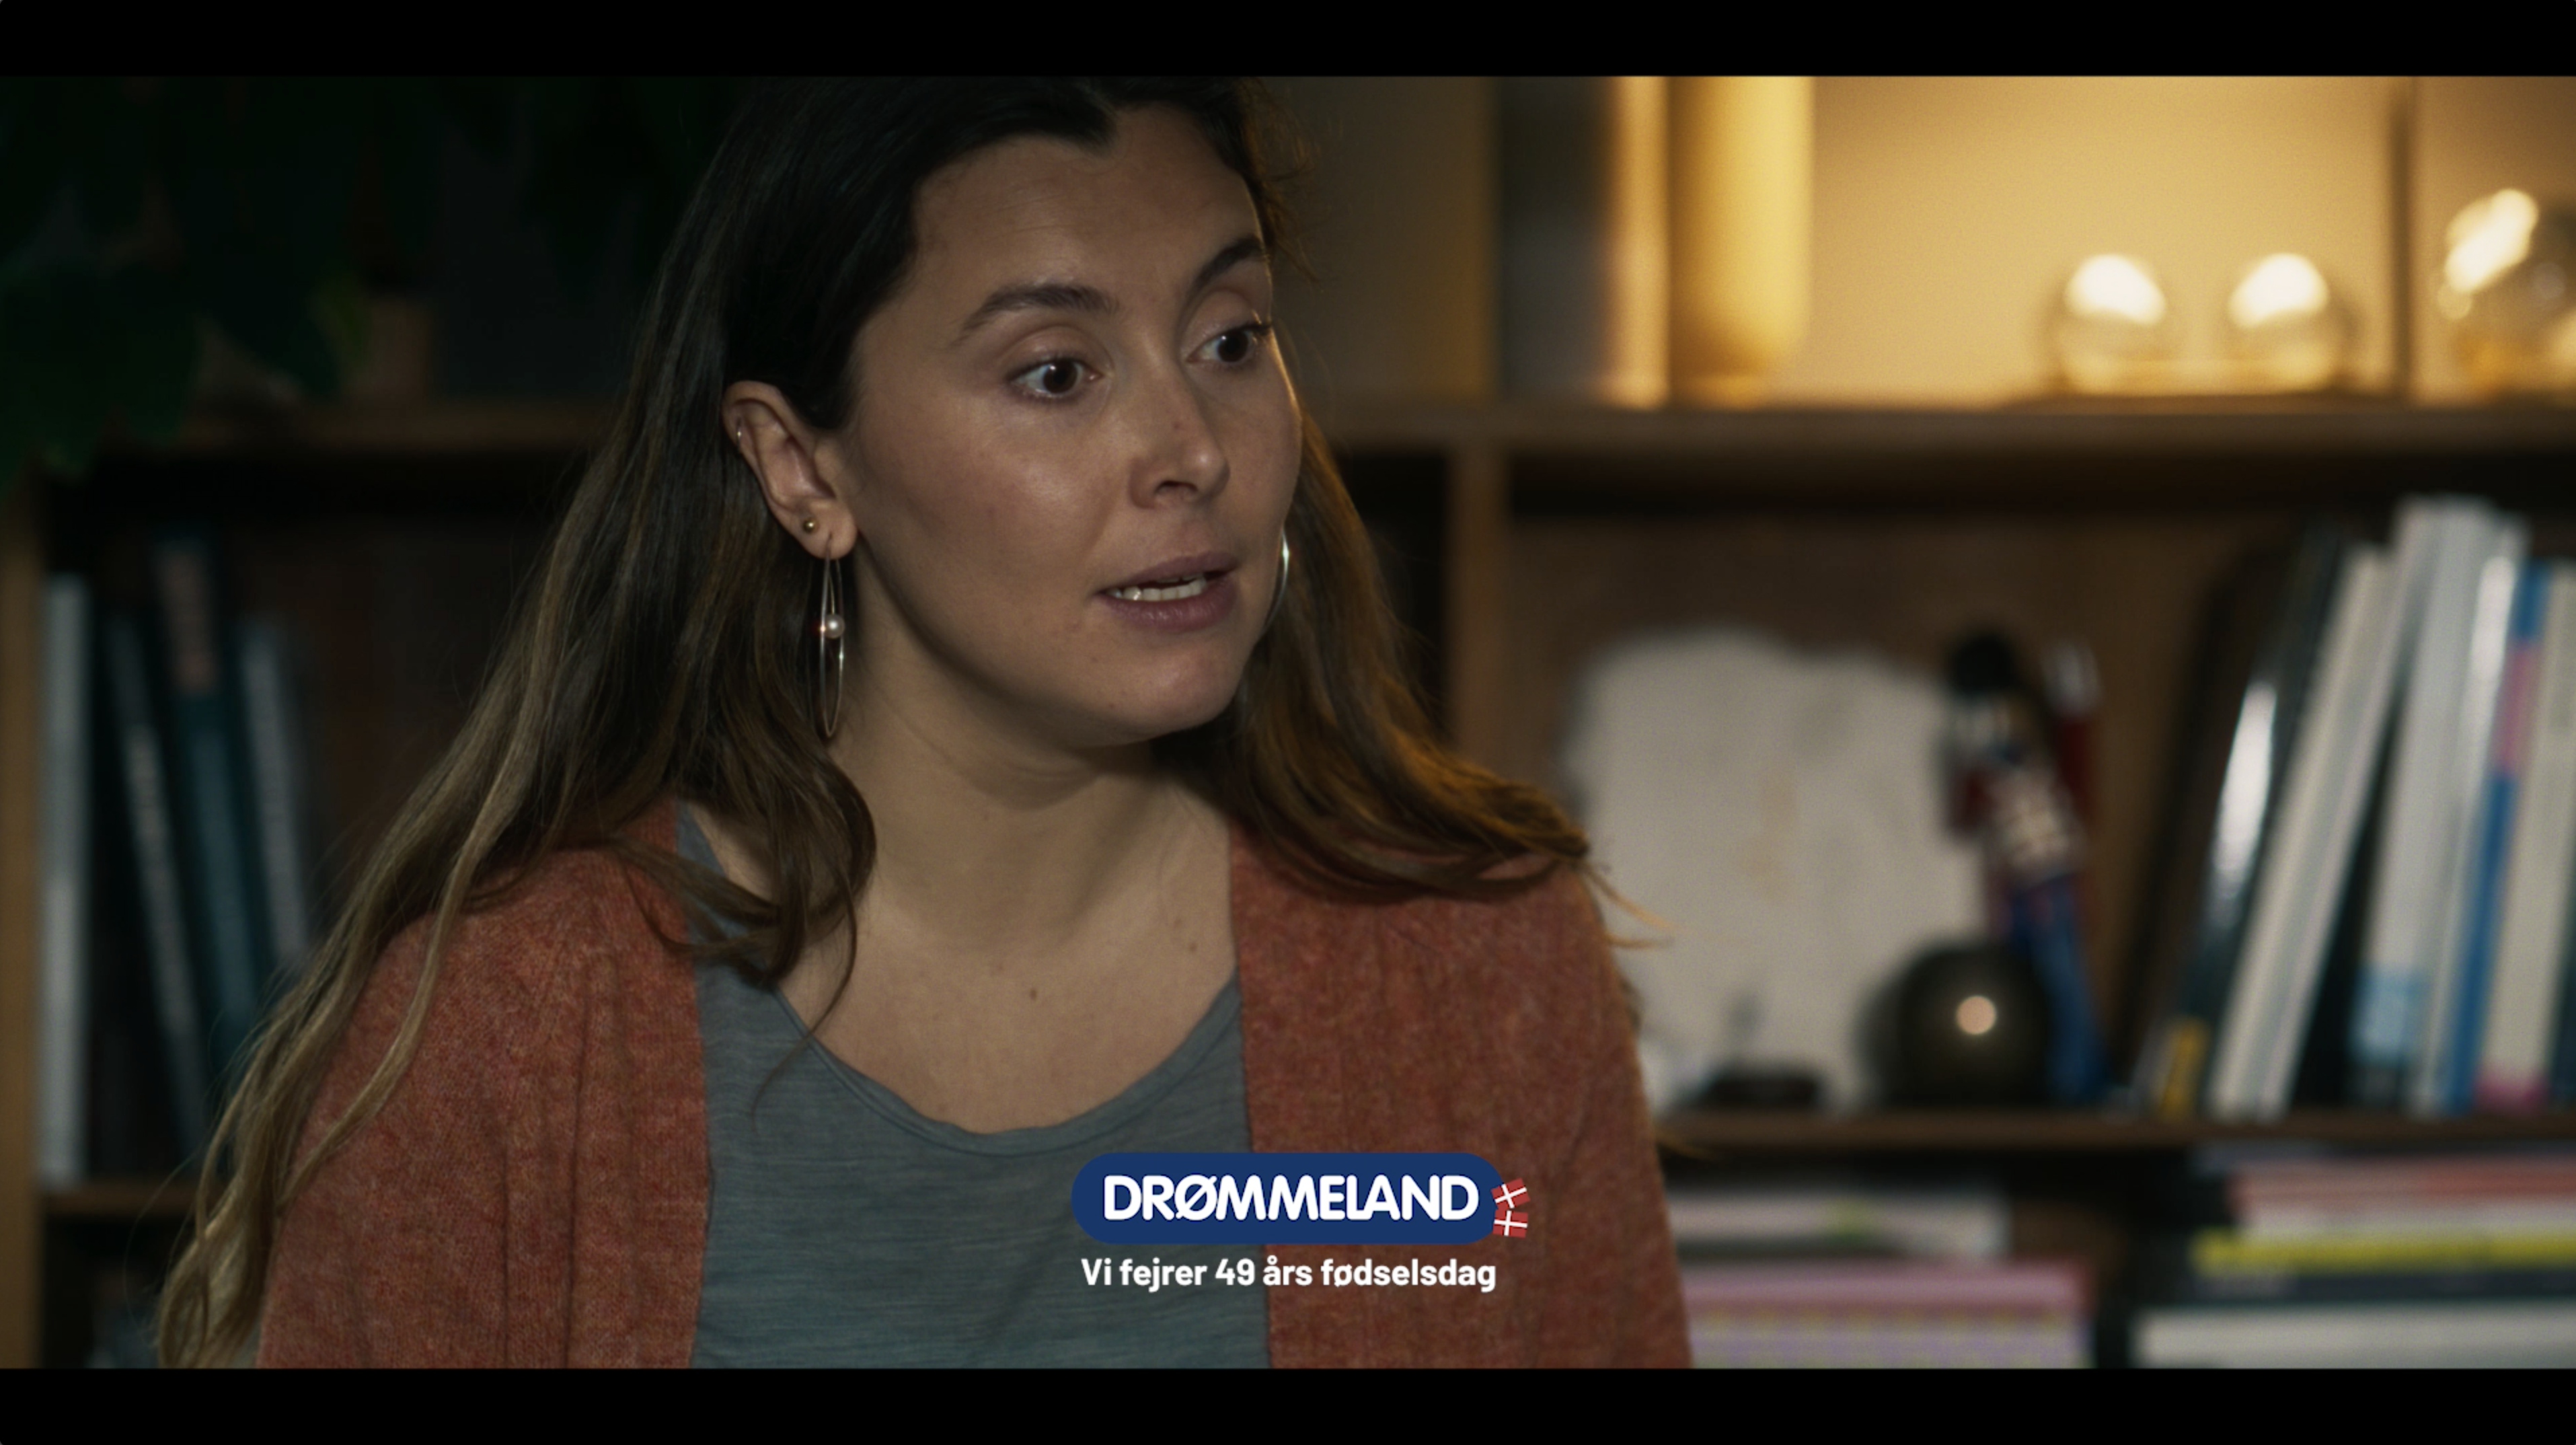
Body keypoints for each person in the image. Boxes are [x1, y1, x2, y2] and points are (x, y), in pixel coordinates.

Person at [157, 77, 1685, 1368]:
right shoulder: (515, 1020)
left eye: (1229, 340)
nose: (1191, 451)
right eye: (1056, 373)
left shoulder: (1478, 971)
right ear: (798, 469)